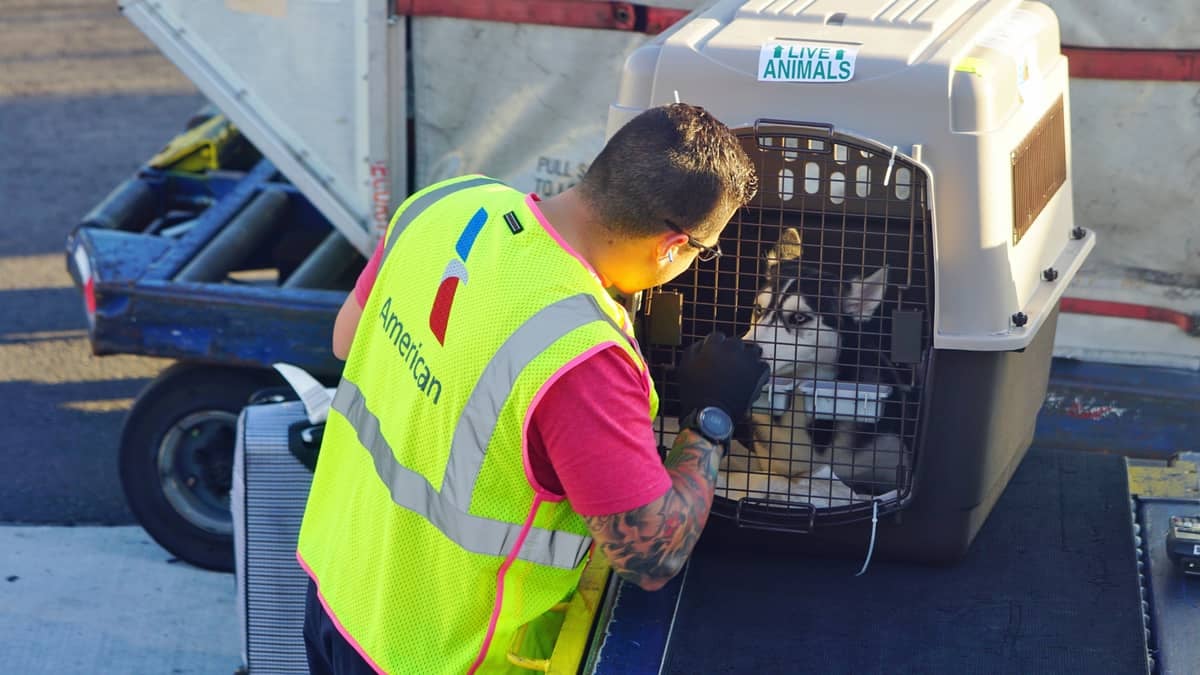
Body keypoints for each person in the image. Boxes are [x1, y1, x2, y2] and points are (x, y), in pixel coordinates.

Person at [297, 103, 769, 674]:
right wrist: (711, 414)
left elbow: (347, 341)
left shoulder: (449, 202)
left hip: (337, 593)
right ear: (671, 246)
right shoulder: (582, 354)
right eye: (702, 251)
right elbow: (651, 554)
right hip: (437, 653)